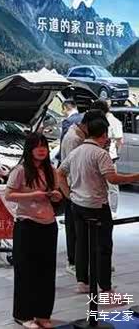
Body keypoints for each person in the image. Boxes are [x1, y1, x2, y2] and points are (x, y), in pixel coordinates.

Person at [57, 118, 139, 295]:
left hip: (77, 204)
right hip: (97, 205)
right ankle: (105, 287)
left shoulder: (76, 151)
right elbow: (113, 179)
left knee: (81, 243)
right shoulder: (101, 154)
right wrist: (135, 177)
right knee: (103, 246)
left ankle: (82, 282)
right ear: (104, 134)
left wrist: (69, 195)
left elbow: (60, 173)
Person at [5, 133, 62, 329]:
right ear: (29, 149)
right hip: (27, 224)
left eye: (44, 146)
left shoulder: (51, 170)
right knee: (26, 271)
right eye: (37, 146)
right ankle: (23, 315)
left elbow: (56, 194)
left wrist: (55, 196)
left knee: (46, 271)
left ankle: (43, 313)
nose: (42, 150)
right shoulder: (20, 170)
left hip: (49, 224)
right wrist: (32, 195)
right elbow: (9, 194)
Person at [59, 109, 105, 276]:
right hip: (75, 189)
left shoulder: (79, 135)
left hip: (79, 190)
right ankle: (73, 262)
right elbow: (70, 168)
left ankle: (86, 263)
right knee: (75, 230)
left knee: (82, 231)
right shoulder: (74, 139)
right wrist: (69, 194)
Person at [92, 100, 124, 220]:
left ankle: (113, 211)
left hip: (109, 158)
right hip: (100, 157)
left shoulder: (114, 121)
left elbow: (120, 140)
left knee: (112, 186)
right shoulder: (98, 121)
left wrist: (116, 153)